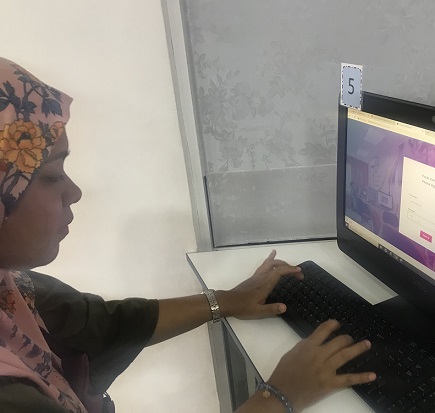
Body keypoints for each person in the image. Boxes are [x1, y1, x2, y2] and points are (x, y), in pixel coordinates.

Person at [0, 57, 376, 413]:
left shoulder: (12, 290)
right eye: (52, 176)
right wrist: (280, 395)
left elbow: (101, 323)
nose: (75, 192)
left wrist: (227, 300)